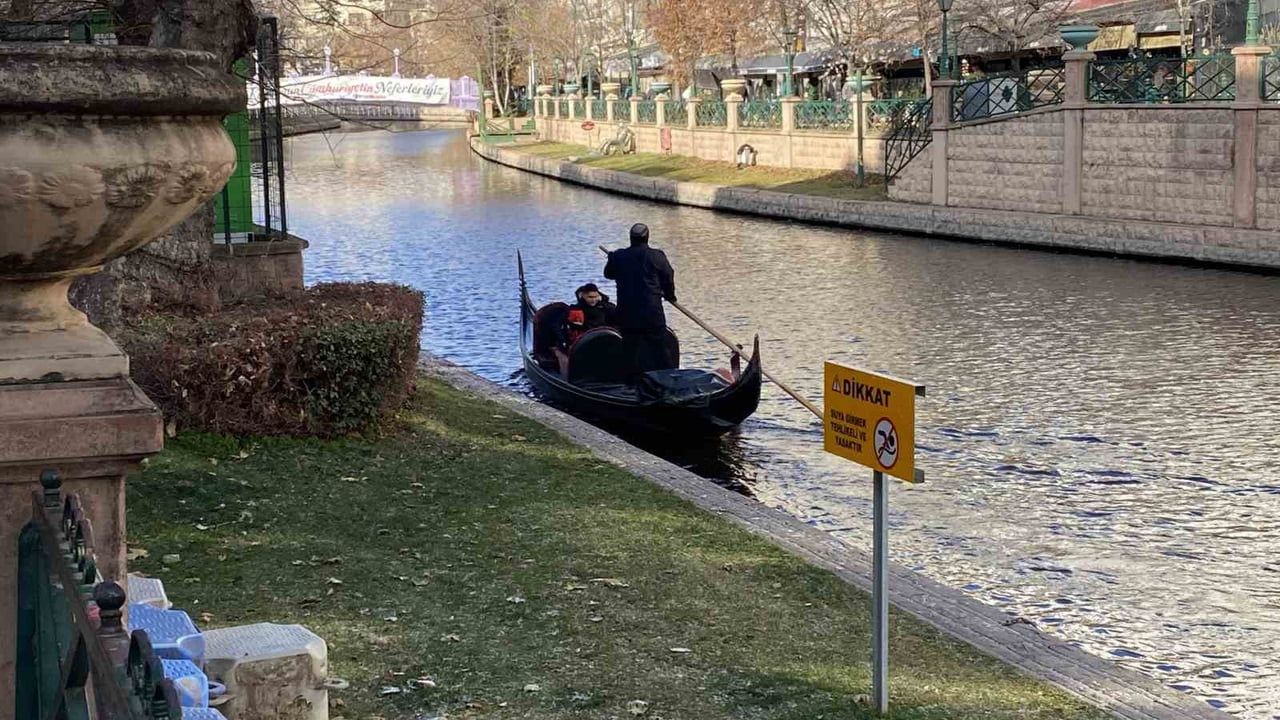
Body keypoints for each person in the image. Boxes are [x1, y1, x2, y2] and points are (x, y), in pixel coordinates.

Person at [603, 223, 678, 374]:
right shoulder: (657, 255)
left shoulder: (618, 256)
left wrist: (612, 259)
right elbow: (668, 276)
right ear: (647, 238)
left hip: (627, 312)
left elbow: (608, 274)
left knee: (630, 349)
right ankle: (668, 380)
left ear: (630, 238)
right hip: (652, 311)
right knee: (660, 348)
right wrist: (670, 295)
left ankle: (632, 384)